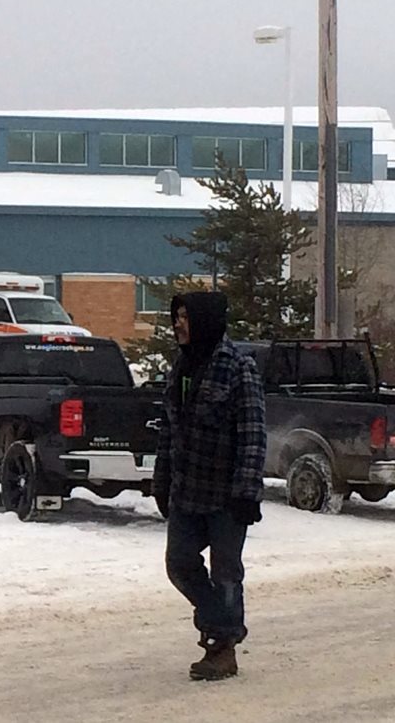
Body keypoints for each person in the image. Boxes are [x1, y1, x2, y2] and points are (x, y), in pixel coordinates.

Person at [153, 291, 266, 682]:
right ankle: (220, 623)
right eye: (176, 316)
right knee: (179, 564)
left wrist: (246, 492)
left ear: (204, 319)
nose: (178, 323)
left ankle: (223, 648)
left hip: (227, 494)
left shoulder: (238, 367)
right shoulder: (181, 367)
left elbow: (253, 432)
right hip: (187, 490)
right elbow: (169, 429)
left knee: (226, 572)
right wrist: (161, 478)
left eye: (185, 316)